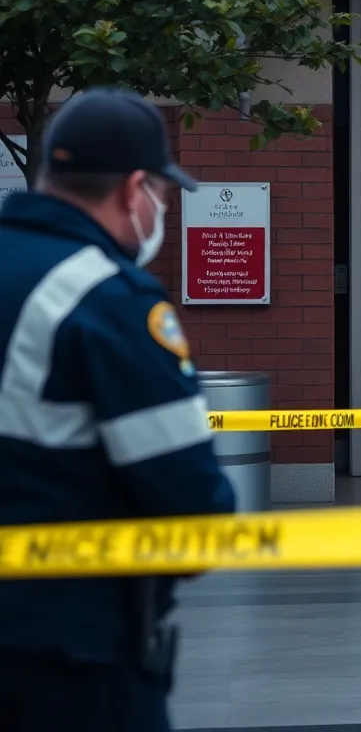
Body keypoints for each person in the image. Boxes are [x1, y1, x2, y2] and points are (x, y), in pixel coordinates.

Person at [0, 87, 237, 730]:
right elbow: (193, 513)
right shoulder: (108, 298)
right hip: (64, 656)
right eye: (162, 193)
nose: (160, 208)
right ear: (135, 190)